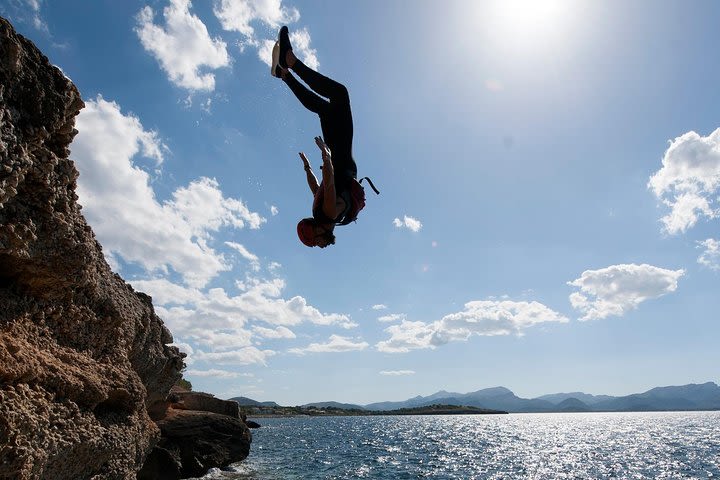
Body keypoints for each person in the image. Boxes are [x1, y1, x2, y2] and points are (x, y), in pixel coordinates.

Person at [271, 26, 358, 248]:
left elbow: (324, 183)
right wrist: (310, 166)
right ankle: (283, 73)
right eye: (316, 240)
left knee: (339, 95)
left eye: (315, 241)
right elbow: (319, 186)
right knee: (325, 108)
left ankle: (289, 63)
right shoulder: (322, 212)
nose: (320, 245)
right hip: (335, 154)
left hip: (337, 153)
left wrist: (320, 160)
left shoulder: (326, 213)